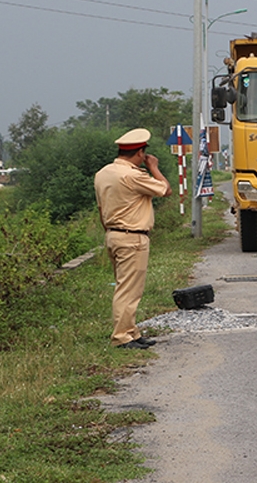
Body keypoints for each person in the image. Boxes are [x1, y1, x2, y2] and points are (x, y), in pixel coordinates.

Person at [94, 128, 172, 349]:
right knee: (129, 290)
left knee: (125, 286)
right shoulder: (133, 175)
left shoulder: (103, 173)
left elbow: (101, 209)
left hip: (113, 234)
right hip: (132, 238)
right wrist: (154, 167)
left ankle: (131, 331)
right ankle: (121, 337)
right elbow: (165, 190)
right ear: (140, 153)